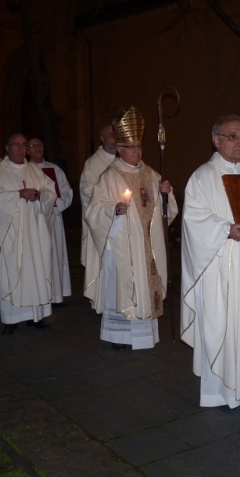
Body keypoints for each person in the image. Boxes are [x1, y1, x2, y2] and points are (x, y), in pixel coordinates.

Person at [180, 115, 240, 409]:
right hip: (220, 265)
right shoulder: (202, 177)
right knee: (223, 322)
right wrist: (225, 230)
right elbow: (194, 219)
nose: (239, 142)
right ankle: (219, 392)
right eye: (232, 136)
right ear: (216, 140)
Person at [84, 107, 177, 350]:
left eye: (139, 146)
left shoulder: (152, 174)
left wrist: (166, 194)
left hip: (148, 246)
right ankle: (120, 337)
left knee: (147, 285)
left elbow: (168, 212)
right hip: (122, 246)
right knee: (123, 286)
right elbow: (94, 210)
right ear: (119, 149)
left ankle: (145, 335)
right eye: (131, 147)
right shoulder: (109, 176)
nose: (136, 151)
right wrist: (113, 211)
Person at [0, 133, 57, 334]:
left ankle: (38, 316)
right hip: (11, 234)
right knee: (12, 272)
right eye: (16, 145)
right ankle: (11, 318)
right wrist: (18, 196)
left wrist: (40, 196)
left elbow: (50, 191)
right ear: (7, 148)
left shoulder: (34, 170)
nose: (21, 149)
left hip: (35, 233)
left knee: (37, 270)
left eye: (23, 145)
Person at [27, 137, 73, 304]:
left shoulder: (54, 169)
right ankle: (39, 293)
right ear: (27, 150)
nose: (37, 148)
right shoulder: (25, 170)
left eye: (40, 145)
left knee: (55, 253)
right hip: (34, 219)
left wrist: (55, 205)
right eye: (32, 146)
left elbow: (67, 192)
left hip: (53, 217)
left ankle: (55, 294)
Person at [79, 124, 117, 266]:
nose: (115, 140)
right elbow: (86, 191)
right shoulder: (93, 163)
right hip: (102, 222)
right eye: (111, 135)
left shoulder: (126, 159)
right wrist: (111, 203)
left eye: (117, 135)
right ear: (102, 139)